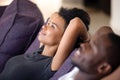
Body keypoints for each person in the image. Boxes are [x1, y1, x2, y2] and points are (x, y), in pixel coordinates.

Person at [0, 7, 90, 80]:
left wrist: (87, 39)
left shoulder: (49, 66)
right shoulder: (40, 50)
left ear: (64, 38)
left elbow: (76, 23)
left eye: (52, 26)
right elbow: (53, 17)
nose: (44, 26)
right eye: (48, 23)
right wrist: (56, 19)